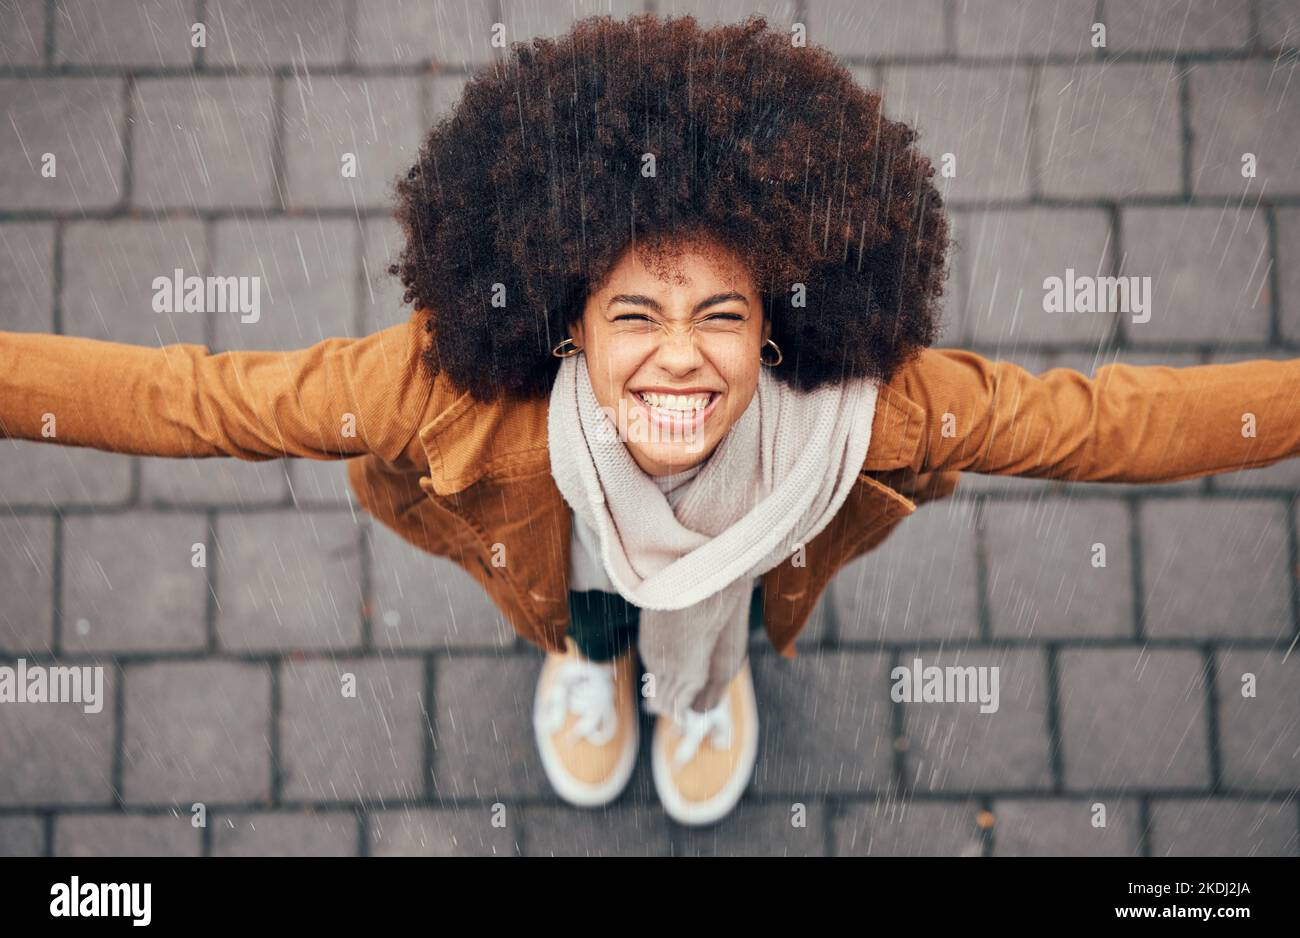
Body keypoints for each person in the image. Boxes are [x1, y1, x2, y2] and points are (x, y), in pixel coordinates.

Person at [2, 13, 1298, 827]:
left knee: (714, 628)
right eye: (635, 318)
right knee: (589, 622)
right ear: (569, 318)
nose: (679, 364)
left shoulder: (874, 408)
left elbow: (1102, 423)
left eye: (722, 318)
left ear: (779, 319)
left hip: (741, 585)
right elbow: (197, 401)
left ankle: (701, 692)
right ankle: (597, 666)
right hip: (568, 572)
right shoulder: (445, 388)